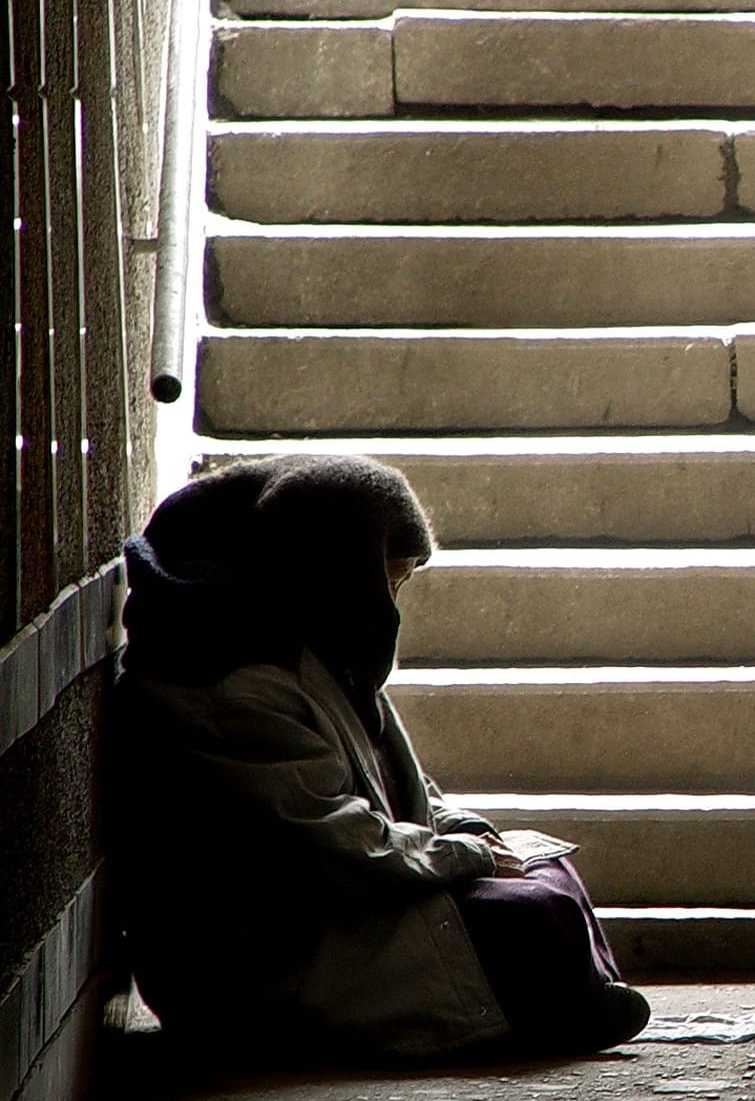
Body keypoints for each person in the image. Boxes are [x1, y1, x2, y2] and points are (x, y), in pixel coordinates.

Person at [114, 453, 648, 1064]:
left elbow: (403, 786)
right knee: (531, 915)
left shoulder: (315, 648)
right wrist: (466, 857)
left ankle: (578, 996)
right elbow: (337, 846)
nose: (389, 605)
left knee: (550, 874)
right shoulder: (229, 687)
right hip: (279, 951)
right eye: (386, 583)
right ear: (336, 573)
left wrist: (473, 834)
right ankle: (565, 1004)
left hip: (358, 901)